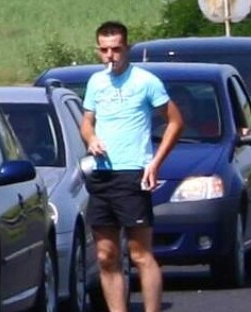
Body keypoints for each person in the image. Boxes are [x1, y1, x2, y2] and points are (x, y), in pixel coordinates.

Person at [81, 21, 183, 312]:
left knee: (139, 253)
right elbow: (87, 121)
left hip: (132, 173)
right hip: (102, 174)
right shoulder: (96, 83)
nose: (110, 55)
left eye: (116, 49)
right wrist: (91, 139)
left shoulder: (145, 81)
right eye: (104, 50)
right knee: (105, 255)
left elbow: (175, 121)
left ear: (126, 48)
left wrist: (155, 162)